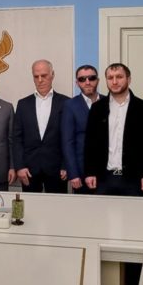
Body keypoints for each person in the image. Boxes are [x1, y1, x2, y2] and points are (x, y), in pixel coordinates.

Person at [84, 63, 143, 196]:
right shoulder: (97, 108)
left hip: (134, 179)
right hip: (103, 178)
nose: (114, 82)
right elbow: (90, 143)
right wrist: (90, 172)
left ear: (128, 79)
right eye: (110, 77)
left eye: (119, 77)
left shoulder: (142, 107)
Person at [12, 59, 69, 193]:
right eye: (36, 76)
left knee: (58, 205)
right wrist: (20, 166)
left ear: (52, 75)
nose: (40, 80)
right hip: (29, 170)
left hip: (57, 170)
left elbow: (69, 138)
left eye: (44, 75)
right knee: (30, 205)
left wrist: (66, 165)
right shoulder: (23, 104)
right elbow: (17, 139)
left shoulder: (66, 103)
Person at [61, 65, 104, 194]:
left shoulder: (108, 102)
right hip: (81, 171)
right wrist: (73, 173)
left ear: (98, 80)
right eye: (82, 79)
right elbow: (67, 142)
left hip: (106, 171)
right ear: (77, 83)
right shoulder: (70, 105)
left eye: (91, 78)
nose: (87, 82)